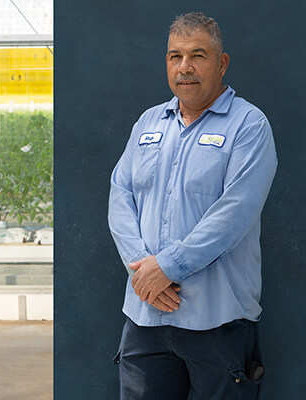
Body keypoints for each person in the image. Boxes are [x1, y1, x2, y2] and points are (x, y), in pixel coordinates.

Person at [108, 12, 277, 400]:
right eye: (175, 56)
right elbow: (120, 194)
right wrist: (143, 272)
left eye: (197, 55)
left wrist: (166, 267)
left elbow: (235, 212)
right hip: (145, 315)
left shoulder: (249, 126)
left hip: (217, 322)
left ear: (222, 63)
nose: (185, 68)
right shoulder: (149, 123)